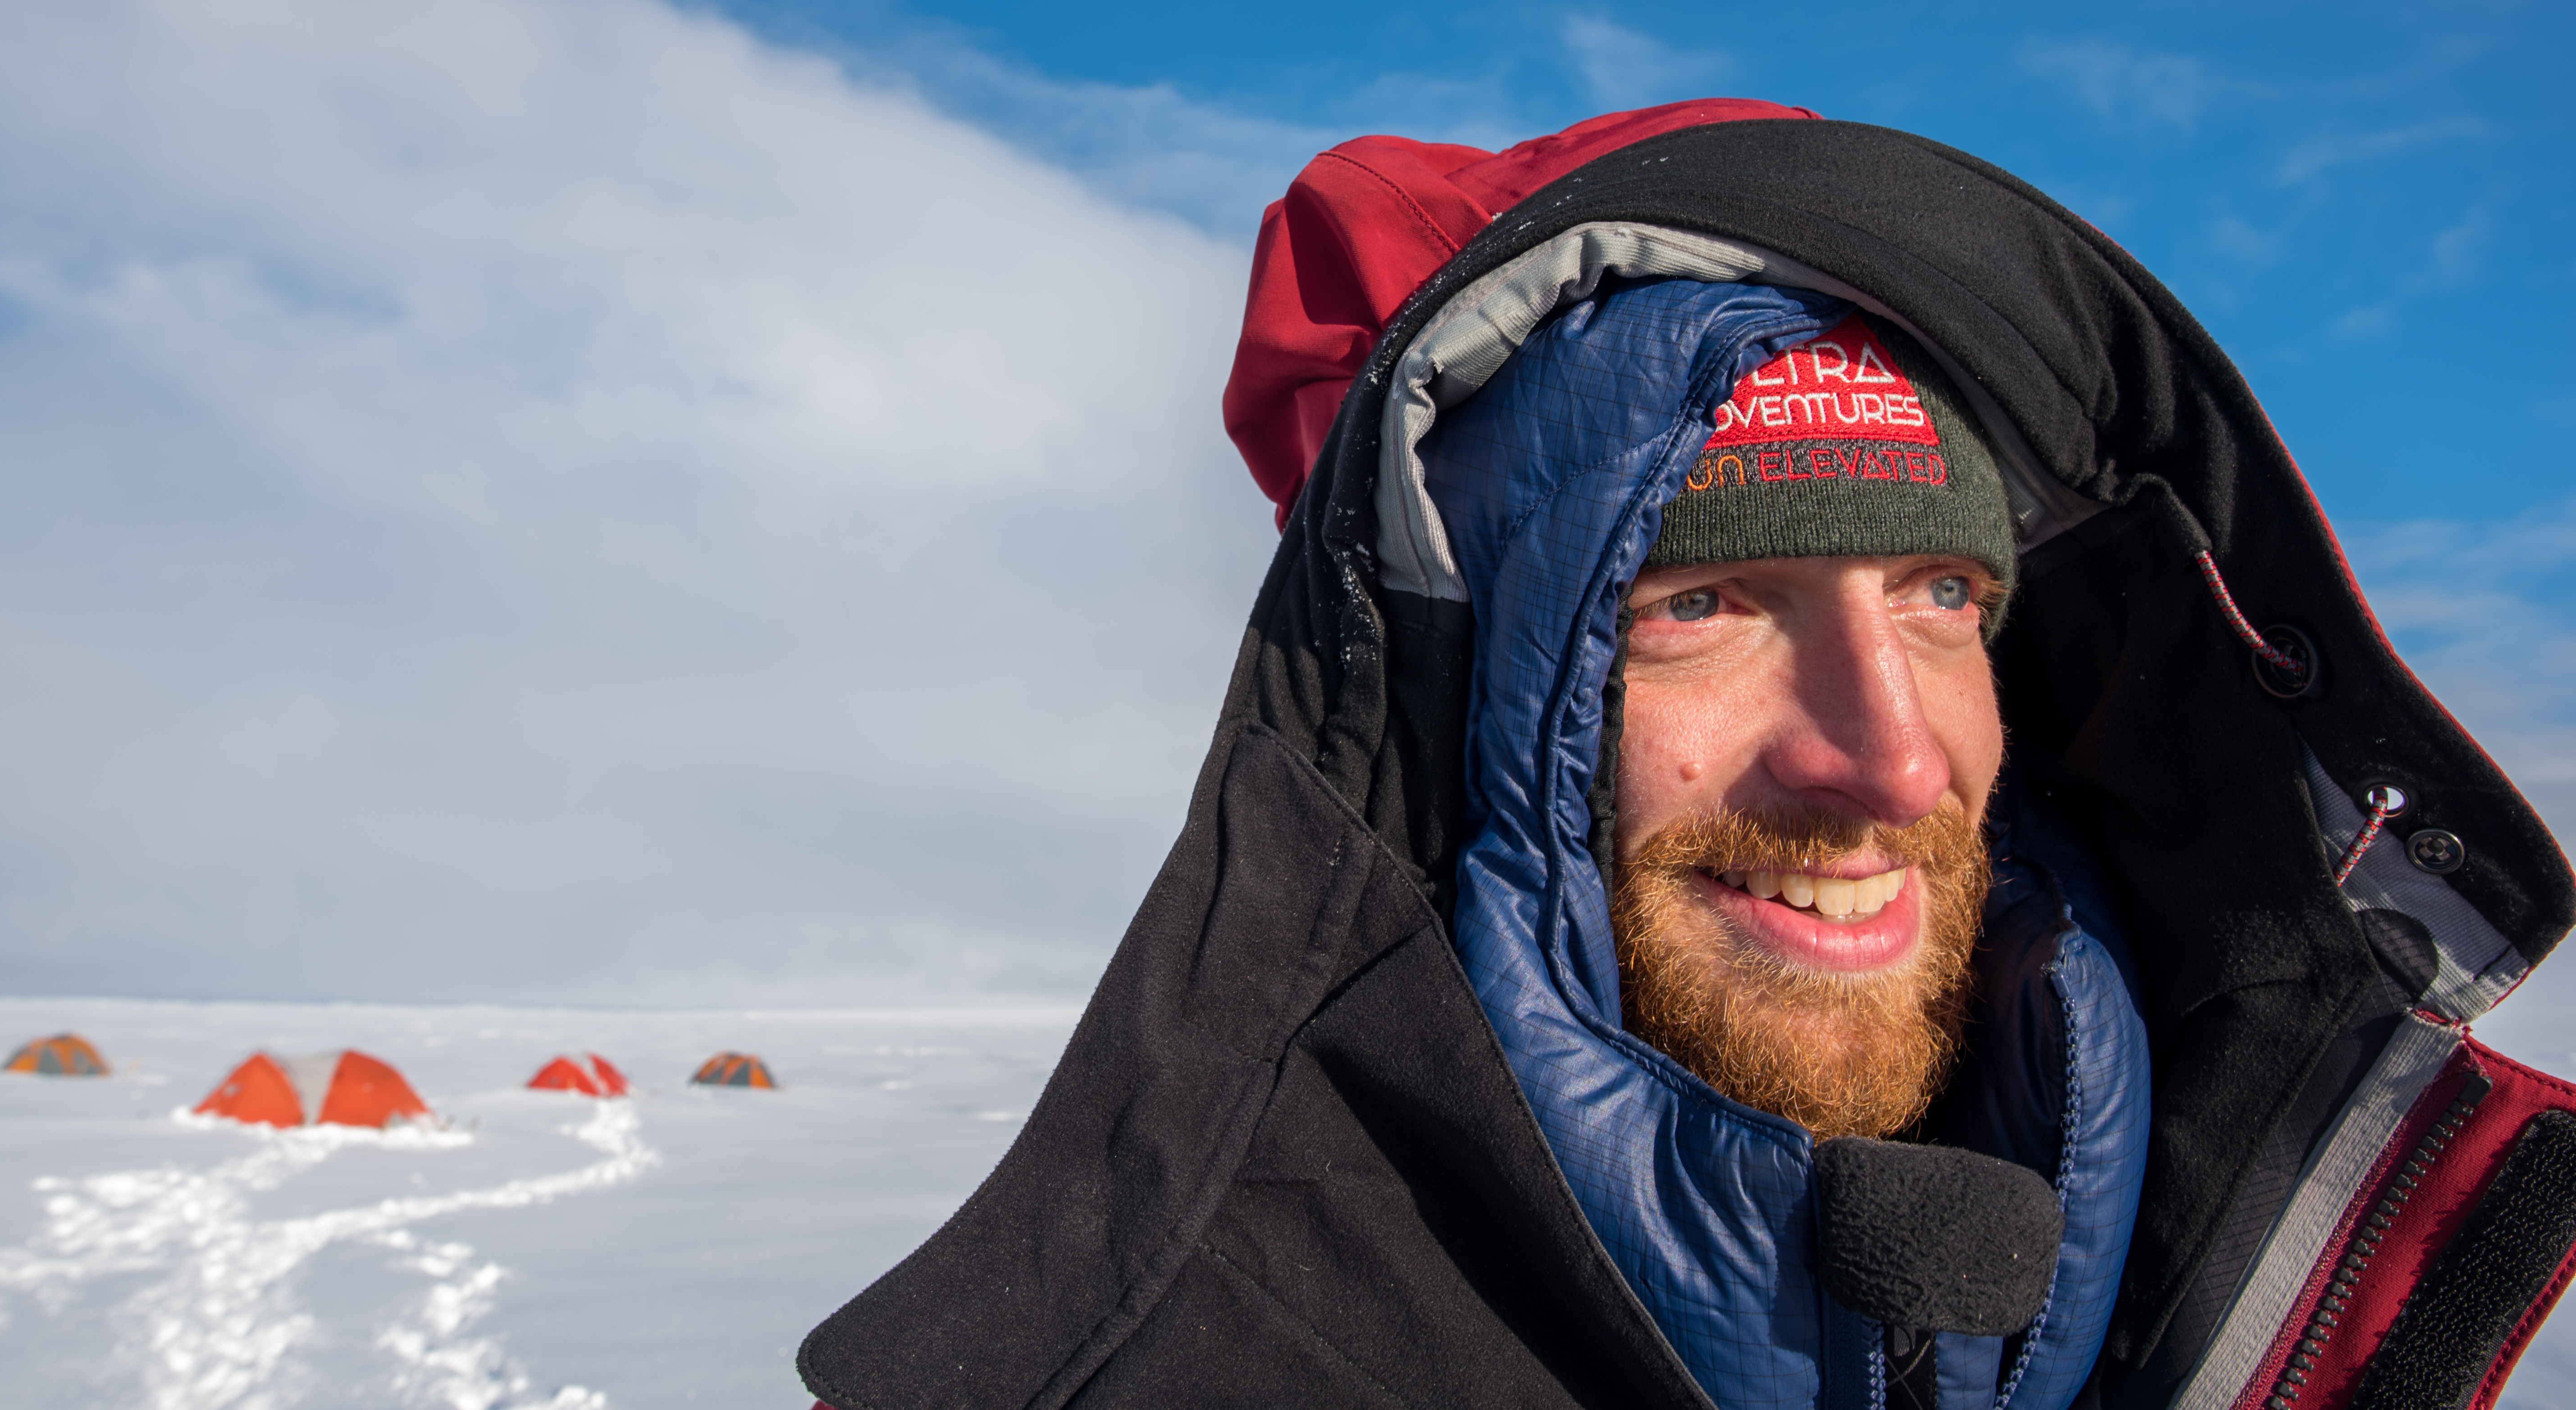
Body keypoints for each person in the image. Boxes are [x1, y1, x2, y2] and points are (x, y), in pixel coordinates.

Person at [801, 101, 2576, 1410]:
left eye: (1944, 593)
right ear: (1464, 703)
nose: (1885, 759)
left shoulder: (2246, 1276)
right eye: (1705, 601)